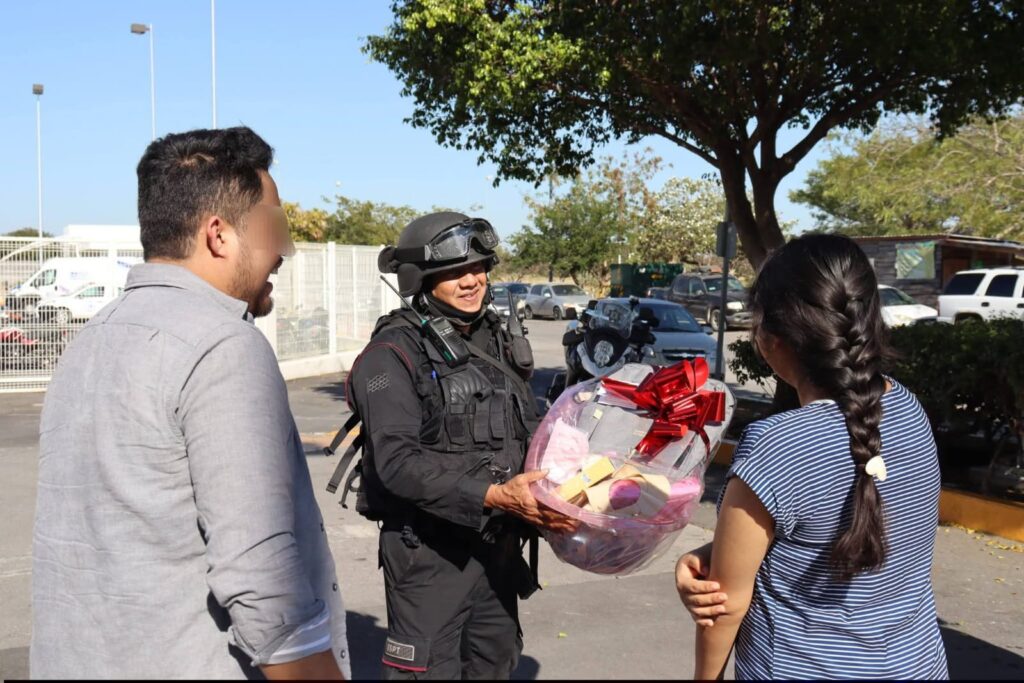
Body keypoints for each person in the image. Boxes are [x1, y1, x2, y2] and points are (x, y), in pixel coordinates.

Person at [31, 127, 350, 680]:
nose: (282, 252)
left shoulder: (91, 338)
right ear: (219, 234)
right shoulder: (223, 346)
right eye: (272, 227)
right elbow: (263, 584)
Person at [674, 234, 948, 679]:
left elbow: (725, 606)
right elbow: (851, 535)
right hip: (916, 667)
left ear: (772, 339)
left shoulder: (774, 446)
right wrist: (717, 551)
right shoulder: (910, 410)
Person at [346, 212, 574, 679]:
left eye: (478, 267)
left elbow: (523, 427)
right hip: (429, 556)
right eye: (454, 272)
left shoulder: (493, 337)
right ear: (421, 278)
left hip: (496, 549)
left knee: (495, 661)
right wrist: (493, 495)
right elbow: (396, 463)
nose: (472, 280)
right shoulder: (391, 355)